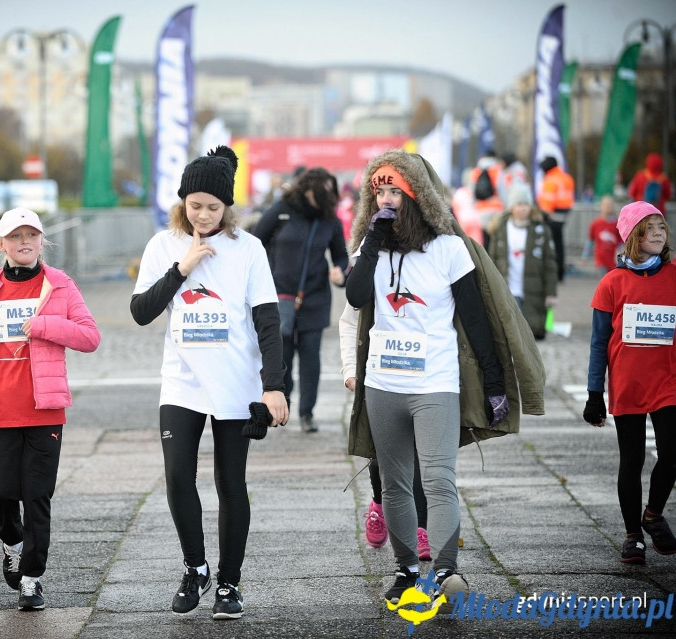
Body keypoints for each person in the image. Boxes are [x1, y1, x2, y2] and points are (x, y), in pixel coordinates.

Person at [345, 149, 518, 607]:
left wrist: (494, 382)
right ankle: (406, 569)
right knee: (395, 484)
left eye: (394, 191)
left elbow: (476, 319)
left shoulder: (449, 248)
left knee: (438, 479)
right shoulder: (371, 249)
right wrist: (372, 239)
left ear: (416, 195)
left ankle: (445, 570)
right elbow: (356, 295)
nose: (385, 199)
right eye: (378, 191)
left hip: (435, 383)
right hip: (383, 384)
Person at [130, 145, 288, 620]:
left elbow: (268, 322)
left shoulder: (249, 249)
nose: (202, 215)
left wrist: (274, 386)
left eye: (213, 207)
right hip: (182, 382)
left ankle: (229, 583)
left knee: (230, 482)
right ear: (183, 201)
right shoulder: (163, 245)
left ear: (227, 207)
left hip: (235, 383)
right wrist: (184, 267)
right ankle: (195, 568)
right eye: (194, 205)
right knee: (178, 474)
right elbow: (141, 312)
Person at [0, 207, 100, 611]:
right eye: (15, 236)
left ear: (42, 241)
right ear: (1, 244)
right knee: (3, 494)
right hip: (2, 410)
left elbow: (90, 337)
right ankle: (11, 543)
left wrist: (45, 325)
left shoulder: (59, 284)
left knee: (37, 496)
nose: (24, 242)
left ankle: (32, 579)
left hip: (46, 411)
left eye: (31, 235)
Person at [583, 201, 676, 566]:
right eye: (650, 227)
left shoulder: (673, 276)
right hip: (628, 385)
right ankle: (632, 535)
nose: (659, 233)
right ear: (633, 236)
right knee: (632, 460)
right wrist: (594, 393)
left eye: (662, 227)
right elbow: (598, 343)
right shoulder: (612, 283)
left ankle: (653, 514)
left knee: (671, 452)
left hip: (668, 383)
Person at [252, 167, 348, 433]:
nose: (328, 199)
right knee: (281, 355)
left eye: (331, 194)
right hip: (279, 295)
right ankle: (282, 405)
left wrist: (340, 273)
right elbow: (255, 243)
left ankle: (307, 413)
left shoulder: (330, 219)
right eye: (322, 194)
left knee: (310, 357)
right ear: (307, 191)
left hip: (314, 297)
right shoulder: (282, 210)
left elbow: (341, 256)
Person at [339, 304, 429, 559]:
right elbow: (350, 322)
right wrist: (350, 368)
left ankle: (421, 528)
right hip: (380, 376)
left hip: (425, 376)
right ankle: (379, 503)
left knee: (421, 454)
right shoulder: (370, 277)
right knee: (382, 457)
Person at [486, 183, 558, 340]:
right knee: (511, 330)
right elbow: (491, 259)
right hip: (508, 286)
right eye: (519, 204)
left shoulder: (541, 231)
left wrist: (551, 292)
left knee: (531, 331)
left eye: (526, 204)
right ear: (512, 207)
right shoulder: (500, 229)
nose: (523, 208)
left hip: (533, 289)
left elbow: (550, 264)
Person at [536, 156, 575, 282]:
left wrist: (541, 214)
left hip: (551, 216)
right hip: (563, 215)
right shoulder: (566, 177)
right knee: (559, 244)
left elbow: (547, 204)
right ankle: (560, 273)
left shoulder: (550, 180)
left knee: (548, 245)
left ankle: (551, 273)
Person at [468, 151, 505, 247]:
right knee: (495, 240)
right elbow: (502, 191)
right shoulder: (497, 170)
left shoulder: (475, 171)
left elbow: (471, 193)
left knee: (483, 241)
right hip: (496, 210)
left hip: (480, 211)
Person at [583, 195, 623, 277]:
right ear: (601, 206)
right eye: (605, 205)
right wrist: (585, 256)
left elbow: (621, 244)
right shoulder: (595, 224)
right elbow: (589, 241)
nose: (608, 207)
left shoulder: (617, 225)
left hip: (613, 260)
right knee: (603, 279)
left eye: (610, 205)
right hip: (600, 260)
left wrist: (623, 257)